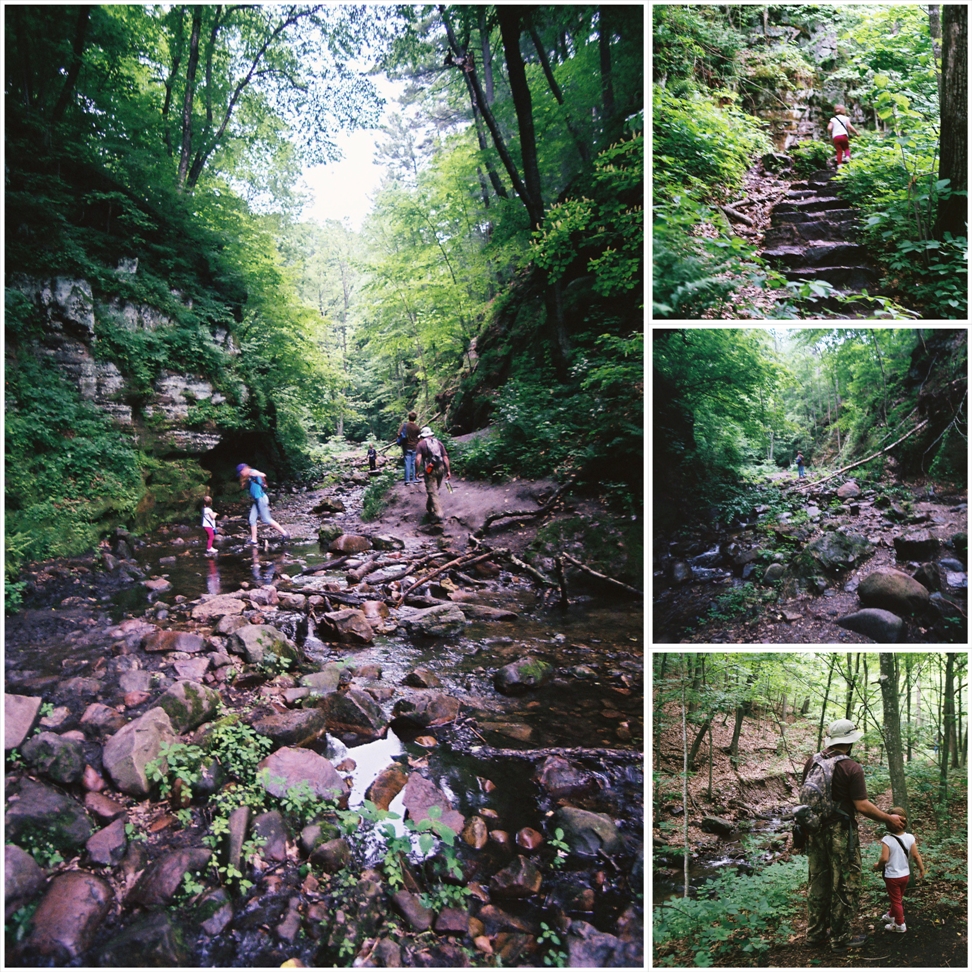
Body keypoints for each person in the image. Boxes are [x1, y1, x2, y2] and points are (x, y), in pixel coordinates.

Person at [803, 719, 905, 954]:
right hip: (840, 833)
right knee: (845, 882)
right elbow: (862, 805)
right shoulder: (851, 767)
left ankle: (815, 934)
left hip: (814, 830)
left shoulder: (812, 761)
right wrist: (888, 819)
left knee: (818, 880)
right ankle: (840, 937)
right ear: (849, 742)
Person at [873, 806, 925, 934]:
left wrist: (877, 865)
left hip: (892, 876)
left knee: (896, 900)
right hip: (905, 875)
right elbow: (916, 856)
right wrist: (922, 869)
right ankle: (891, 915)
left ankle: (900, 924)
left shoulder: (887, 839)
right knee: (898, 898)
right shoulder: (909, 838)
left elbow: (884, 859)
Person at [236, 463, 289, 545]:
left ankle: (285, 533)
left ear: (244, 469)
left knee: (266, 519)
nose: (241, 474)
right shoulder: (248, 477)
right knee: (252, 519)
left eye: (241, 472)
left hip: (261, 498)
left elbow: (263, 474)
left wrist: (254, 473)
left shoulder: (252, 472)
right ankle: (254, 540)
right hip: (256, 500)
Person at [415, 426, 451, 523]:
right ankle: (429, 508)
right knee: (434, 490)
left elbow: (418, 459)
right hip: (440, 468)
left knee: (433, 492)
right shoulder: (439, 443)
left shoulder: (421, 444)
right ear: (430, 434)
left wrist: (416, 471)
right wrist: (448, 471)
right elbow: (445, 458)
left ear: (422, 436)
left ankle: (439, 514)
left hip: (429, 470)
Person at [398, 411, 421, 484]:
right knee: (413, 463)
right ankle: (414, 479)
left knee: (407, 463)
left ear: (408, 417)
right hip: (414, 447)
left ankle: (407, 480)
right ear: (415, 418)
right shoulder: (417, 427)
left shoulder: (404, 425)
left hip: (406, 446)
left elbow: (398, 434)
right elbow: (419, 437)